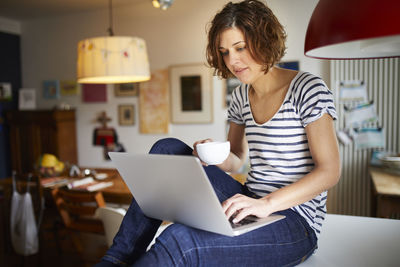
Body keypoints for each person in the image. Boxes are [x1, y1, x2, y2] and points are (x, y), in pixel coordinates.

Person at [96, 0, 340, 266]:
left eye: (240, 48)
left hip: (295, 223)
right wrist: (207, 157)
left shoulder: (307, 88)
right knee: (166, 148)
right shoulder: (240, 96)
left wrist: (267, 204)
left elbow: (329, 171)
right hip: (251, 202)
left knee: (179, 239)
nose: (232, 60)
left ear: (264, 40)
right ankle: (116, 260)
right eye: (224, 52)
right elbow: (236, 158)